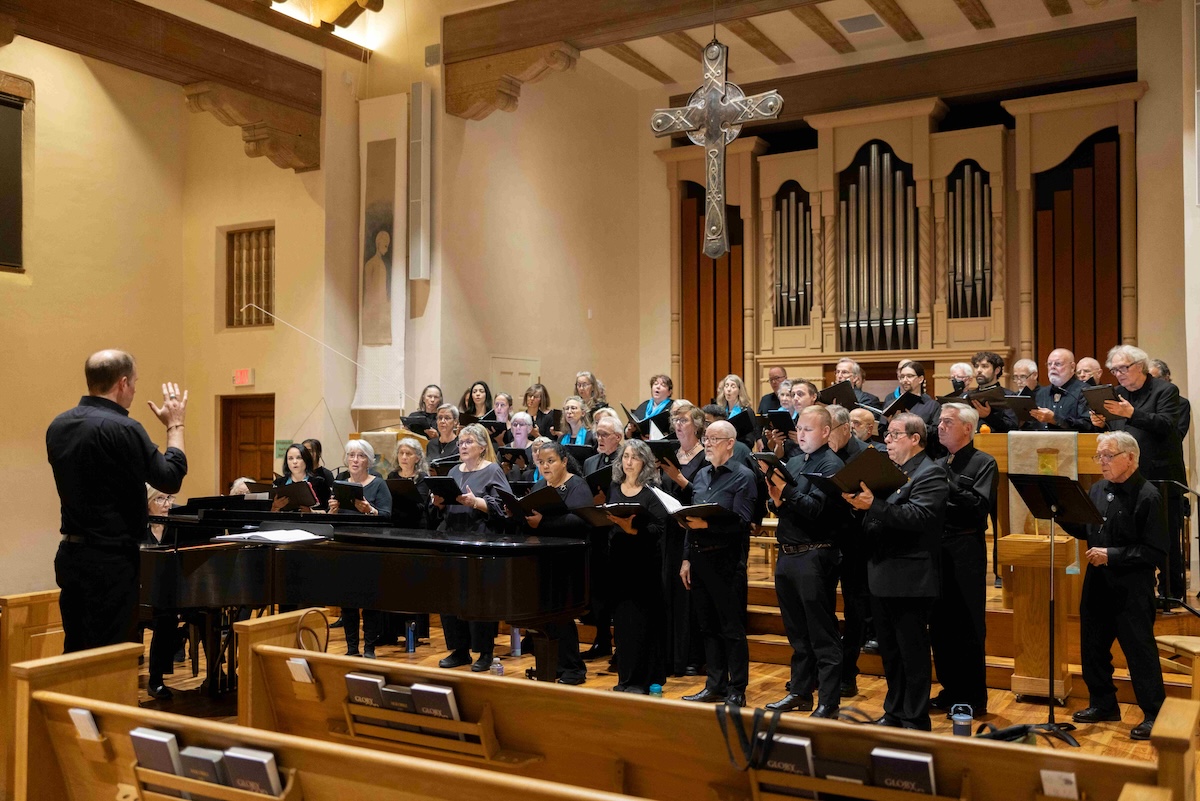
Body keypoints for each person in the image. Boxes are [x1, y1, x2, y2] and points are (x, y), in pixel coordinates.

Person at [47, 349, 188, 654]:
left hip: (71, 553)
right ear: (123, 383)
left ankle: (73, 703)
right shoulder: (124, 429)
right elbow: (170, 477)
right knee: (112, 655)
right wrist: (175, 425)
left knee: (76, 650)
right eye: (135, 382)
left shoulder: (58, 427)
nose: (135, 390)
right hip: (111, 561)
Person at [843, 412, 947, 730]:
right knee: (889, 652)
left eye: (893, 435)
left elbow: (918, 518)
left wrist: (872, 505)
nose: (886, 440)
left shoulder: (931, 473)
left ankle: (914, 717)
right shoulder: (890, 472)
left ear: (915, 438)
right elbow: (879, 514)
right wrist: (856, 504)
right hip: (882, 574)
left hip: (910, 578)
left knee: (911, 652)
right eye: (886, 435)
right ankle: (894, 711)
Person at [1060, 432, 1166, 741]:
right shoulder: (1096, 489)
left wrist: (1112, 555)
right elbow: (1086, 527)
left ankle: (1155, 714)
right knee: (1093, 647)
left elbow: (1155, 551)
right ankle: (1103, 704)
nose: (1102, 462)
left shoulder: (1148, 495)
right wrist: (1060, 511)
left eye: (1108, 456)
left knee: (1139, 652)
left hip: (1132, 587)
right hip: (1098, 583)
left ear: (1130, 458)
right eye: (1099, 457)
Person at [763, 405, 845, 718]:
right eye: (800, 428)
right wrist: (776, 495)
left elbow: (815, 510)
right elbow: (780, 506)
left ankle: (828, 702)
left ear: (826, 432)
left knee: (822, 633)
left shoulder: (832, 464)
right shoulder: (795, 461)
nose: (802, 434)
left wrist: (786, 491)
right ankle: (800, 692)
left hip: (816, 554)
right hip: (788, 554)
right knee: (797, 633)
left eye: (809, 429)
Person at [1088, 345, 1186, 599]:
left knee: (1165, 538)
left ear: (1140, 367)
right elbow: (1118, 435)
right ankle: (1134, 589)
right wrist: (1102, 424)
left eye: (1123, 368)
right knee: (1127, 534)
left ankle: (1171, 592)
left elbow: (1166, 426)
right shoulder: (1117, 393)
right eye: (1114, 369)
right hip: (1126, 479)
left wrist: (1132, 413)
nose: (1118, 374)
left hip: (1160, 476)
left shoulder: (1165, 391)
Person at [678, 420, 758, 707]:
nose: (707, 443)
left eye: (714, 438)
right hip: (699, 559)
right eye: (706, 438)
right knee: (708, 627)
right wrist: (686, 558)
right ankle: (715, 685)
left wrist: (706, 526)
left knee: (731, 629)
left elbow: (742, 524)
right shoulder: (700, 476)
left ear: (730, 443)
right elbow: (689, 522)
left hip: (726, 561)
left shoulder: (743, 476)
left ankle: (737, 688)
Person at [930, 404, 996, 716]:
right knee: (940, 624)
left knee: (967, 624)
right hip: (936, 547)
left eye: (947, 422)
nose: (939, 427)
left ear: (967, 428)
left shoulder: (984, 462)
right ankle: (950, 689)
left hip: (966, 546)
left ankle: (972, 697)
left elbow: (976, 507)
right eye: (939, 422)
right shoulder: (939, 461)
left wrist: (946, 481)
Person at [432, 424, 511, 671]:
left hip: (481, 540)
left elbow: (505, 508)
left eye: (468, 442)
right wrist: (438, 503)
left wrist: (477, 502)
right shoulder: (454, 471)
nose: (462, 446)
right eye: (461, 442)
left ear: (481, 446)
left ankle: (485, 652)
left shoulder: (492, 470)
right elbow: (440, 509)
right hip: (452, 539)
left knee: (479, 599)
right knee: (451, 596)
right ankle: (460, 650)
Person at [517, 440, 589, 684]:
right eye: (541, 462)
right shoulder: (540, 485)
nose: (546, 466)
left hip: (569, 561)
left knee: (562, 616)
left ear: (564, 462)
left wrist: (543, 523)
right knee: (546, 616)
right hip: (545, 559)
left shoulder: (577, 485)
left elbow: (582, 520)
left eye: (551, 461)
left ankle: (574, 668)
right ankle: (554, 664)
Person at [607, 439, 669, 693]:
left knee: (642, 624)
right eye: (625, 456)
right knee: (622, 625)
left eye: (634, 457)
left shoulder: (652, 492)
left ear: (644, 462)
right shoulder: (614, 487)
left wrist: (632, 529)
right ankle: (625, 678)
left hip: (644, 565)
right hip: (619, 563)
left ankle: (642, 680)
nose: (628, 462)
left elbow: (660, 528)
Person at [327, 439, 392, 658]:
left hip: (369, 549)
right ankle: (352, 648)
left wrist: (369, 510)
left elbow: (387, 516)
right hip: (345, 547)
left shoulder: (378, 484)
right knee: (348, 601)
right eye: (351, 455)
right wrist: (332, 511)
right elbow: (332, 520)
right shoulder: (341, 481)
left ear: (368, 461)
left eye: (361, 456)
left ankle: (369, 648)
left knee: (369, 601)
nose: (355, 460)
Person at [658, 403, 708, 677]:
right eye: (676, 420)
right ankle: (670, 654)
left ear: (697, 426)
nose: (678, 425)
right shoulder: (670, 455)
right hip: (669, 533)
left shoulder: (705, 457)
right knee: (669, 592)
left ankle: (692, 656)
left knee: (688, 595)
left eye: (684, 420)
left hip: (691, 531)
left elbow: (702, 496)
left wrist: (678, 479)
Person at [579, 414, 623, 660]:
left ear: (618, 437)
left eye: (605, 434)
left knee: (616, 591)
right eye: (598, 433)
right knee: (598, 592)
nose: (600, 438)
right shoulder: (590, 461)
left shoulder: (626, 460)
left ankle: (621, 646)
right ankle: (602, 640)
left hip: (617, 532)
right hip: (596, 532)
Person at [1029, 349, 1092, 431]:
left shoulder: (1085, 391)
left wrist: (1055, 419)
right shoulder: (1041, 393)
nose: (1052, 367)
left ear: (1072, 367)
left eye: (1058, 364)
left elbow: (1087, 425)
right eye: (1049, 364)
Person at [271, 443, 329, 511]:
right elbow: (269, 513)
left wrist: (312, 512)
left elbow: (327, 511)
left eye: (299, 458)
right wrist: (275, 507)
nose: (294, 462)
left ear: (306, 460)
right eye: (290, 458)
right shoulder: (278, 483)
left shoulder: (319, 483)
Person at [1149, 359, 1191, 440]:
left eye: (1154, 379)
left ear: (1166, 378)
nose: (1151, 383)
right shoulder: (1144, 400)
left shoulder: (1181, 403)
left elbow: (1178, 435)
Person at [629, 374, 675, 439]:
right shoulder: (644, 405)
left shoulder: (673, 406)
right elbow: (628, 433)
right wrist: (629, 430)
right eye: (655, 384)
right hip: (642, 444)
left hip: (663, 445)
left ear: (669, 392)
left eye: (663, 385)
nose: (658, 387)